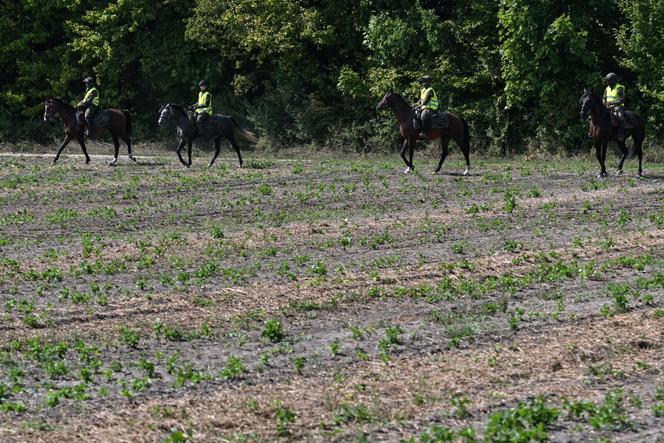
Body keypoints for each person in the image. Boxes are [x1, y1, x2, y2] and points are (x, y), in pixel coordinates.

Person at [602, 72, 626, 141]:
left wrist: (611, 103)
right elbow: (604, 98)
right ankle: (592, 131)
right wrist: (604, 103)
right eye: (607, 81)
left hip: (618, 107)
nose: (607, 82)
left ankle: (622, 133)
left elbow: (621, 100)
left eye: (608, 81)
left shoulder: (619, 88)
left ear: (612, 81)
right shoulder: (607, 89)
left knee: (620, 116)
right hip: (608, 107)